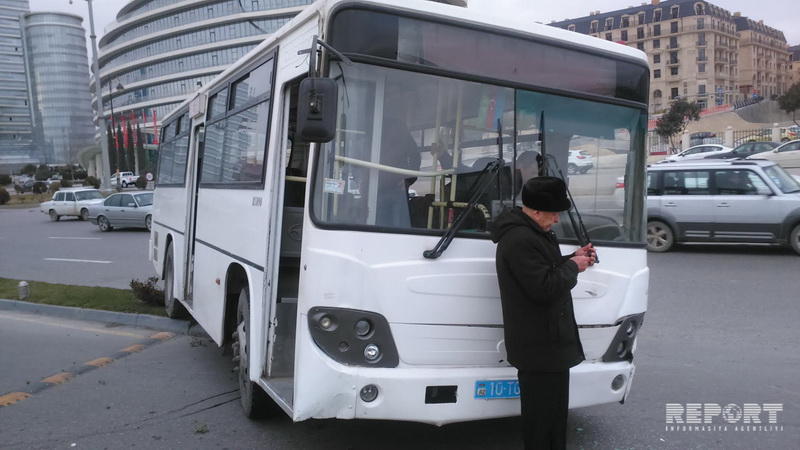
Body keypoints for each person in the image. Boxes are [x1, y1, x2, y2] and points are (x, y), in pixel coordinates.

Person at [490, 176, 595, 450]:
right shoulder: (520, 239)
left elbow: (544, 270)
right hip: (538, 348)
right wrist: (574, 267)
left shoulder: (533, 232)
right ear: (536, 211)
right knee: (541, 421)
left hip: (548, 345)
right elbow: (543, 288)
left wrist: (572, 257)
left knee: (554, 417)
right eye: (554, 213)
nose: (557, 220)